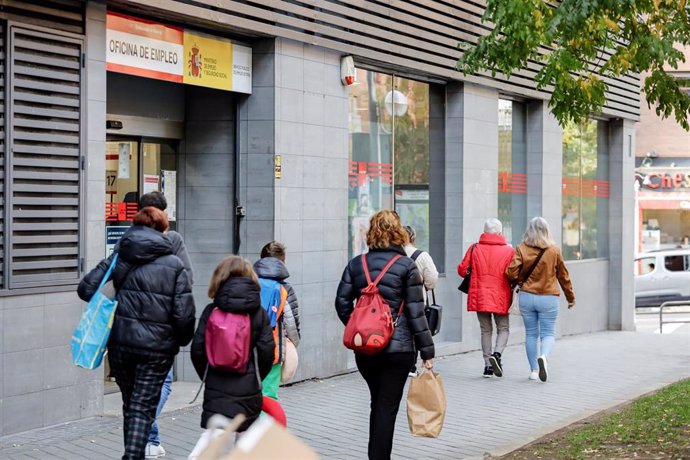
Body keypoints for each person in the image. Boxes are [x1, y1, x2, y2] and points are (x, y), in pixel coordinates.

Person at [78, 207, 195, 460]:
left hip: (121, 344)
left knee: (131, 405)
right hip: (156, 348)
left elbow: (86, 289)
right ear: (164, 230)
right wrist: (181, 339)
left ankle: (135, 454)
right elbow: (184, 313)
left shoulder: (121, 255)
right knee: (141, 407)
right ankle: (132, 456)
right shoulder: (174, 264)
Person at [336, 210, 435, 460]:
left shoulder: (356, 264)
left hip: (366, 349)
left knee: (377, 401)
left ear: (372, 233)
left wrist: (359, 326)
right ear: (398, 232)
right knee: (386, 406)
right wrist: (427, 351)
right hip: (398, 349)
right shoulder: (407, 266)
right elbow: (416, 312)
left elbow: (341, 302)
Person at [188, 256, 275, 460]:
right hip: (249, 387)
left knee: (215, 434)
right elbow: (266, 351)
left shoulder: (211, 311)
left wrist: (208, 375)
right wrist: (256, 375)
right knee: (245, 441)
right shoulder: (259, 314)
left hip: (217, 386)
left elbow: (197, 350)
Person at [138, 191, 194, 459]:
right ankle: (144, 428)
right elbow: (187, 282)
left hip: (128, 328)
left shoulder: (126, 243)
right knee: (163, 383)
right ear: (164, 215)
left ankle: (150, 439)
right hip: (160, 327)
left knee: (139, 386)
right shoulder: (172, 241)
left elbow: (96, 285)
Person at [506, 217, 575, 382]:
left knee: (530, 334)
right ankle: (543, 356)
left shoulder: (521, 248)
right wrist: (570, 297)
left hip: (527, 296)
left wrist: (521, 279)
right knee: (548, 333)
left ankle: (533, 371)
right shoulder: (554, 250)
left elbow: (511, 272)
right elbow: (563, 276)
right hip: (548, 297)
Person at [457, 218, 515, 378]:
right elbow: (514, 274)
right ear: (500, 232)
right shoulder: (510, 251)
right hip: (501, 295)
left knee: (485, 330)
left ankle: (488, 367)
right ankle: (497, 355)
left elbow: (462, 271)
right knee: (503, 328)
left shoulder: (474, 248)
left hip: (480, 294)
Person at [253, 241, 301, 400]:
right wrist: (293, 344)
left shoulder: (248, 284)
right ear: (283, 262)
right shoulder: (284, 289)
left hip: (247, 351)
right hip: (272, 351)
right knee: (268, 397)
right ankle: (264, 423)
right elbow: (291, 323)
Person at [403, 225, 438, 375]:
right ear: (413, 237)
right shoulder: (422, 256)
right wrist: (425, 287)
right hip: (418, 301)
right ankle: (412, 366)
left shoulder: (393, 255)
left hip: (396, 303)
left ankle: (402, 363)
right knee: (417, 331)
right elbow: (432, 279)